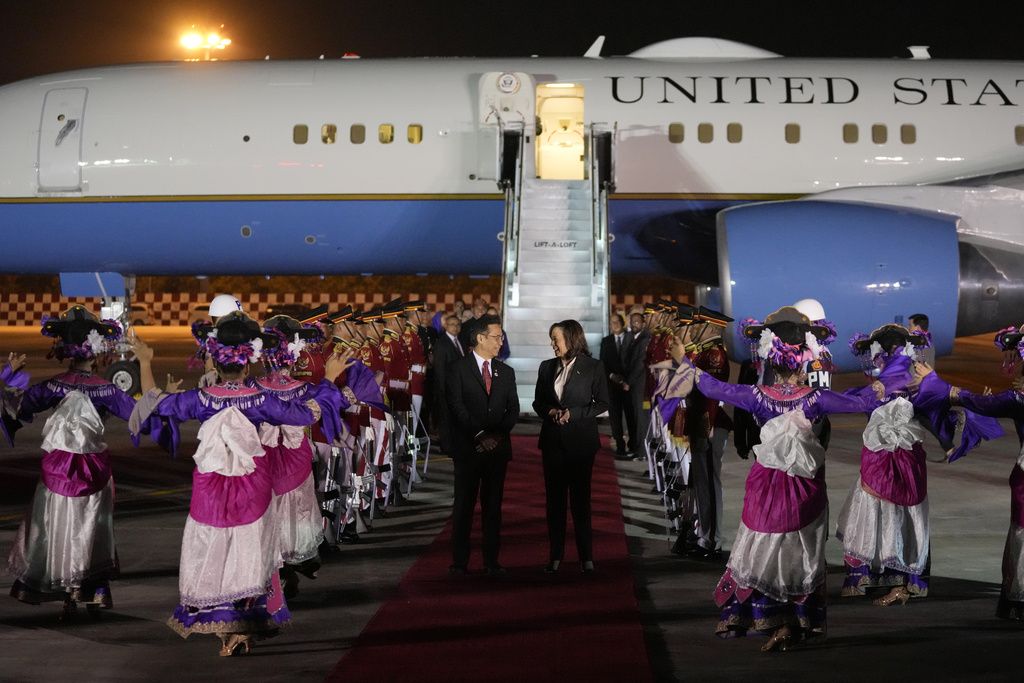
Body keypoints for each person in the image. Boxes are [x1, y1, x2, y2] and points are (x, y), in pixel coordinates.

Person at [130, 312, 347, 656]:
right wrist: (330, 381)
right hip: (254, 488)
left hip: (210, 489)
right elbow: (308, 414)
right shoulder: (262, 399)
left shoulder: (200, 399)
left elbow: (155, 403)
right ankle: (244, 624)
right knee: (250, 552)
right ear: (248, 363)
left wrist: (145, 362)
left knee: (217, 549)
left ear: (215, 360)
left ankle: (223, 624)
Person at [669, 307, 883, 652]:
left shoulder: (757, 397)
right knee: (802, 553)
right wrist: (882, 381)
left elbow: (711, 386)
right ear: (802, 363)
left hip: (766, 489)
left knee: (767, 549)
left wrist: (685, 362)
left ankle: (771, 617)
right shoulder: (816, 398)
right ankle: (797, 622)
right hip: (804, 490)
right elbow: (858, 402)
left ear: (771, 361)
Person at [6, 307, 133, 620]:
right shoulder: (106, 389)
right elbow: (139, 415)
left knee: (57, 529)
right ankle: (89, 589)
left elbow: (15, 405)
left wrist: (7, 373)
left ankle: (65, 591)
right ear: (97, 351)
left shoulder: (53, 386)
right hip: (95, 472)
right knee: (90, 529)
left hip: (57, 471)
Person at [920, 324, 1023, 619]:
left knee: (1022, 532)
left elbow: (979, 401)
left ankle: (1018, 598)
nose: (1013, 366)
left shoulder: (1017, 398)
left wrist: (938, 385)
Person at [533, 319, 610, 574]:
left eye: (556, 339)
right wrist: (551, 411)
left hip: (580, 443)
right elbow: (537, 403)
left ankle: (586, 556)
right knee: (554, 502)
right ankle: (555, 555)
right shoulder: (546, 367)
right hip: (552, 442)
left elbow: (602, 403)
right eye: (552, 339)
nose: (552, 344)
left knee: (580, 501)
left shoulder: (593, 367)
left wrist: (573, 413)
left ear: (572, 339)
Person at [445, 314, 519, 575]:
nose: (501, 342)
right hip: (468, 449)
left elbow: (513, 410)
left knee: (493, 508)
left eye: (502, 337)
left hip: (497, 450)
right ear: (480, 338)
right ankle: (460, 561)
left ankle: (491, 561)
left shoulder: (506, 372)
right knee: (464, 507)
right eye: (497, 337)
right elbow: (456, 407)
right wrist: (479, 435)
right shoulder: (458, 369)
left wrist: (496, 436)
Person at [599, 313, 635, 458]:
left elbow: (634, 361)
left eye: (617, 322)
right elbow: (603, 363)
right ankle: (620, 446)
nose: (614, 325)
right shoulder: (606, 341)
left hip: (628, 385)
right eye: (612, 322)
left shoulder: (630, 338)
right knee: (615, 418)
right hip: (612, 386)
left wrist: (627, 380)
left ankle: (633, 445)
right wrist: (612, 376)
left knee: (631, 417)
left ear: (622, 323)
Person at [432, 314, 464, 454]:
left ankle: (454, 445)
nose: (455, 327)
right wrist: (444, 390)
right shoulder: (442, 343)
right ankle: (447, 447)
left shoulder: (459, 341)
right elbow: (439, 369)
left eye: (458, 324)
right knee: (445, 418)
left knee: (455, 419)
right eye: (452, 324)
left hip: (458, 388)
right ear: (445, 326)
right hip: (446, 389)